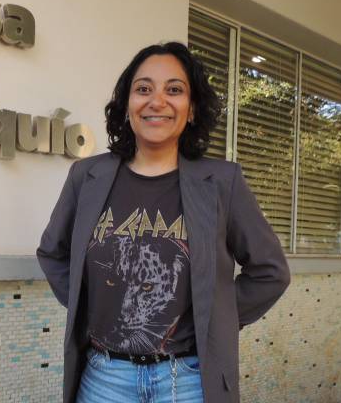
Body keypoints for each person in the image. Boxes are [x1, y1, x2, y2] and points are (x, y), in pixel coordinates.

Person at [37, 41, 290, 403]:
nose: (157, 101)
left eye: (174, 90)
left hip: (188, 381)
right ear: (127, 105)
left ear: (192, 108)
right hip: (105, 378)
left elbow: (270, 272)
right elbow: (53, 253)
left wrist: (214, 318)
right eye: (143, 89)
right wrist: (90, 308)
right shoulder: (87, 176)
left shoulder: (222, 182)